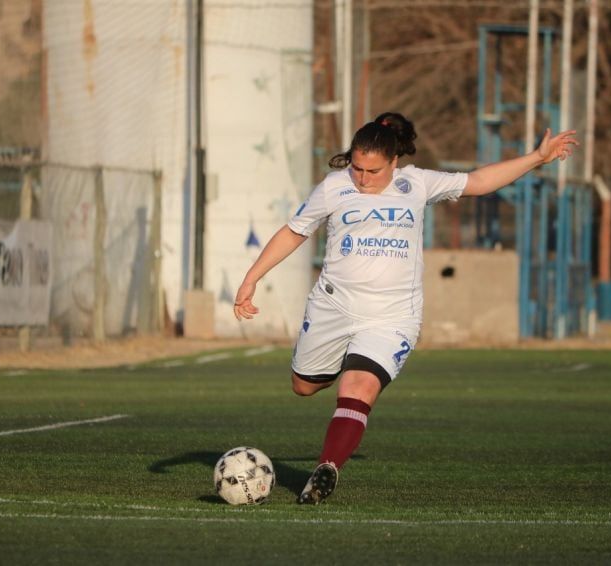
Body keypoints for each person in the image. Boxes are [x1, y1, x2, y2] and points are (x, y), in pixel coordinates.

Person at [234, 112, 578, 504]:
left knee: (359, 387)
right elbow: (295, 231)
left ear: (395, 161)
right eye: (358, 168)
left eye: (373, 171)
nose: (363, 178)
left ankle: (327, 468)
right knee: (304, 386)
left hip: (392, 317)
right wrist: (251, 278)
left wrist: (536, 157)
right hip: (333, 307)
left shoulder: (416, 183)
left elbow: (479, 182)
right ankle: (340, 364)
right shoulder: (333, 187)